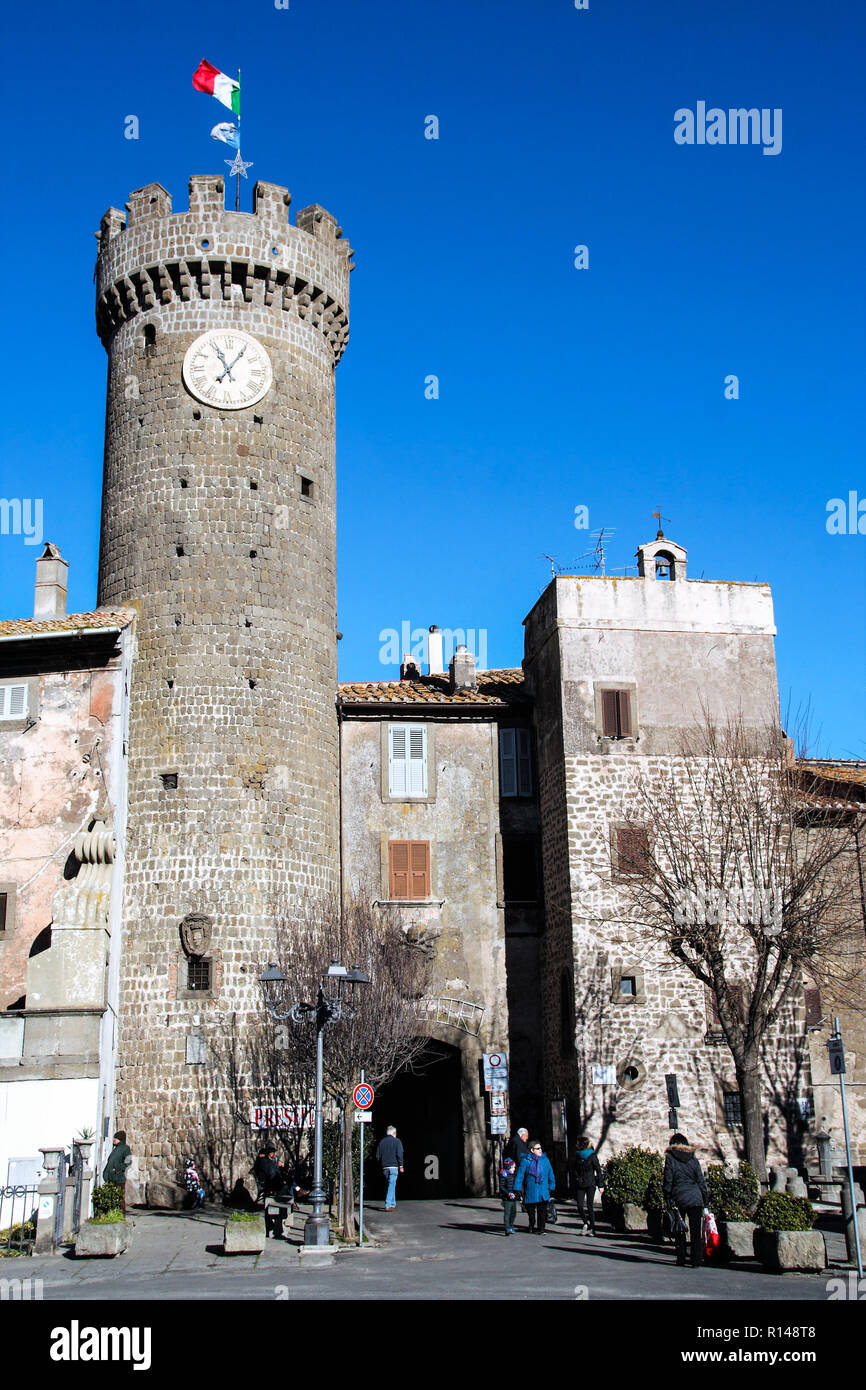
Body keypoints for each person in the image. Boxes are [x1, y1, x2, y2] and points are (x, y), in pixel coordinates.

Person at [663, 1132, 709, 1268]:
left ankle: (681, 1257)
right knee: (696, 1231)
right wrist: (705, 1200)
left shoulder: (670, 1158)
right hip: (695, 1197)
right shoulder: (693, 1159)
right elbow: (701, 1181)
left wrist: (667, 1195)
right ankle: (696, 1260)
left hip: (678, 1196)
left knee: (679, 1228)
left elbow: (668, 1179)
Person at [515, 1139, 556, 1235]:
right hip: (531, 1190)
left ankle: (541, 1229)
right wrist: (517, 1188)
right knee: (531, 1212)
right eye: (537, 1149)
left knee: (542, 1211)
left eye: (540, 1148)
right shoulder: (526, 1161)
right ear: (532, 1150)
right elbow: (520, 1175)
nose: (540, 1150)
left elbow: (550, 1173)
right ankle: (531, 1225)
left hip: (543, 1190)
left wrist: (551, 1186)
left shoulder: (545, 1160)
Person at [572, 1136, 604, 1235]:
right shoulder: (577, 1156)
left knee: (590, 1206)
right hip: (580, 1183)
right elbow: (574, 1169)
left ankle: (593, 1228)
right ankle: (585, 1223)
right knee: (579, 1205)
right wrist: (577, 1178)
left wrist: (600, 1185)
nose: (576, 1145)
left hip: (590, 1183)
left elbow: (598, 1171)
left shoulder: (592, 1156)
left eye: (578, 1143)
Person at [102, 1130, 132, 1214]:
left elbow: (128, 1162)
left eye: (116, 1138)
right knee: (113, 1198)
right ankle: (113, 1214)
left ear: (120, 1139)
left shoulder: (125, 1148)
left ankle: (121, 1216)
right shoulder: (116, 1149)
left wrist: (117, 1169)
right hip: (112, 1178)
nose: (114, 1139)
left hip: (119, 1179)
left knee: (119, 1199)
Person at [375, 1125, 404, 1210]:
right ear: (394, 1133)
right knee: (391, 1185)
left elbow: (377, 1156)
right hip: (393, 1167)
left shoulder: (382, 1142)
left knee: (391, 1185)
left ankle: (392, 1204)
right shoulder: (397, 1141)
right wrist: (401, 1166)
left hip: (385, 1167)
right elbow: (399, 1154)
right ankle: (388, 1205)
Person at [499, 1155, 520, 1236]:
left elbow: (516, 1186)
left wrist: (518, 1194)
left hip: (514, 1197)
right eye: (513, 1167)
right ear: (509, 1167)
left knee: (513, 1213)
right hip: (507, 1197)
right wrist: (508, 1193)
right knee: (507, 1213)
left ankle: (511, 1225)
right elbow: (502, 1186)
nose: (514, 1169)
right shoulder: (504, 1174)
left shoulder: (514, 1175)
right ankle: (507, 1227)